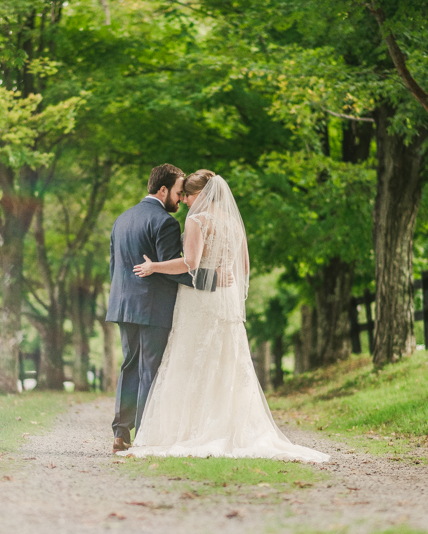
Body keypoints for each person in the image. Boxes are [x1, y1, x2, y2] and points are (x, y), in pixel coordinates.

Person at [123, 170, 329, 463]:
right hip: (226, 302)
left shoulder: (197, 220)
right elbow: (243, 266)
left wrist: (154, 267)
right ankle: (231, 428)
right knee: (226, 363)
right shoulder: (234, 223)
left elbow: (190, 263)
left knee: (191, 360)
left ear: (200, 196)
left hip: (200, 301)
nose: (185, 201)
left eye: (188, 196)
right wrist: (223, 276)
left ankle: (189, 430)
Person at [106, 164, 217, 454]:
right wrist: (211, 280)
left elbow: (114, 267)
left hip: (123, 304)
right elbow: (174, 268)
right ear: (163, 189)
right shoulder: (165, 222)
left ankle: (120, 433)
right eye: (179, 192)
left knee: (129, 366)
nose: (181, 199)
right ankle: (143, 433)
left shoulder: (122, 219)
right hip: (153, 306)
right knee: (150, 371)